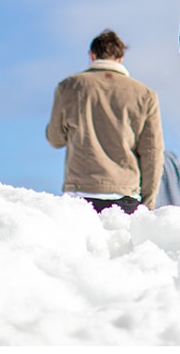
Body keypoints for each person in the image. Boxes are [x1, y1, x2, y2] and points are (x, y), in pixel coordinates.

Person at [46, 30, 163, 215]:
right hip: (125, 193)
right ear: (120, 58)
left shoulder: (69, 86)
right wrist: (147, 200)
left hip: (79, 191)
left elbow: (55, 139)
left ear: (92, 56)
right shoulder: (145, 95)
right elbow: (152, 152)